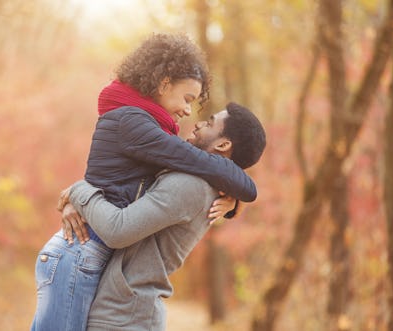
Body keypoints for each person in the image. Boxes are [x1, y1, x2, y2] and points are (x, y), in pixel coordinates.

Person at [31, 33, 257, 331]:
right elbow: (193, 162)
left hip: (86, 256)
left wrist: (234, 198)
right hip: (78, 253)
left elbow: (185, 173)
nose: (191, 113)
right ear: (164, 83)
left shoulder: (148, 128)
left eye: (207, 118)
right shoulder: (135, 124)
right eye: (187, 99)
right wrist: (79, 192)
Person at [63, 102, 266, 330]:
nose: (198, 124)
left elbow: (117, 230)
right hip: (123, 311)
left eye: (209, 123)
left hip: (126, 316)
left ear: (223, 144)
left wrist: (78, 191)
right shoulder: (197, 179)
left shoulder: (191, 185)